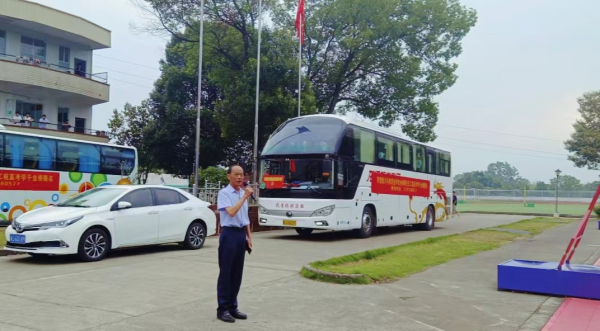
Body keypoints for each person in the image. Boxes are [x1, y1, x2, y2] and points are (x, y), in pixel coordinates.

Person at [216, 164, 253, 323]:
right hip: (229, 234)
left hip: (240, 235)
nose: (239, 177)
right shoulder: (224, 193)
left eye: (242, 175)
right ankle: (222, 309)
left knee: (237, 273)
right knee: (226, 273)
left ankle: (233, 307)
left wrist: (249, 237)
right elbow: (231, 212)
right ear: (228, 176)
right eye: (236, 174)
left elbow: (245, 218)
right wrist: (245, 197)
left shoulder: (241, 193)